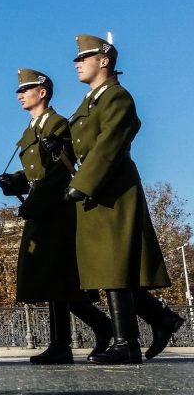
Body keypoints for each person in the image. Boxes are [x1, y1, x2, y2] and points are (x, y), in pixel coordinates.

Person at [62, 35, 183, 364]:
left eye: (84, 57)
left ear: (104, 60)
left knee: (115, 264)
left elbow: (109, 144)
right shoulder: (90, 102)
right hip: (95, 190)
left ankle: (126, 343)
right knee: (106, 266)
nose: (77, 63)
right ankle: (162, 320)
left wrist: (84, 183)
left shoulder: (117, 97)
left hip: (112, 189)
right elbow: (81, 146)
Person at [0, 69, 112, 364]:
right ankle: (63, 343)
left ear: (43, 92)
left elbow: (61, 172)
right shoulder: (31, 129)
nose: (19, 94)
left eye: (26, 89)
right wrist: (15, 182)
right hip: (43, 208)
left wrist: (31, 204)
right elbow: (37, 173)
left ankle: (98, 329)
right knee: (52, 281)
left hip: (57, 211)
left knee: (60, 279)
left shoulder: (58, 123)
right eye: (19, 90)